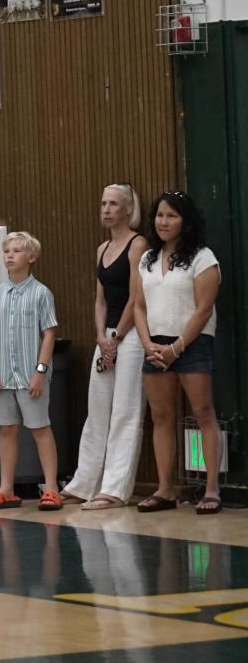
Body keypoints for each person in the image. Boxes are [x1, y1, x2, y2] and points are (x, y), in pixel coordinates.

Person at [133, 190, 224, 515]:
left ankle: (211, 488)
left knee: (202, 413)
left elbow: (203, 310)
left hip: (192, 343)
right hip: (155, 344)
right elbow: (139, 306)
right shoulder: (146, 259)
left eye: (171, 215)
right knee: (160, 416)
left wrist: (176, 348)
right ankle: (165, 488)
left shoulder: (203, 257)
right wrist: (148, 344)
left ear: (185, 220)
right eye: (159, 215)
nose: (163, 221)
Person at [65, 184, 150, 510]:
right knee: (97, 410)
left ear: (128, 209)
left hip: (130, 336)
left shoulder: (137, 243)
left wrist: (117, 337)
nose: (106, 209)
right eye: (103, 203)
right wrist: (102, 336)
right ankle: (84, 482)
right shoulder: (102, 248)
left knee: (125, 411)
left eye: (113, 204)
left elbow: (135, 296)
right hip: (108, 336)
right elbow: (100, 299)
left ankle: (114, 488)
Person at [0, 232, 62, 512]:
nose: (9, 256)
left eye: (16, 251)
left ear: (31, 257)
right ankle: (6, 489)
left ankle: (51, 488)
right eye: (7, 251)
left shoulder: (41, 293)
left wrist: (40, 370)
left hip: (30, 375)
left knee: (39, 428)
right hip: (2, 376)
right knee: (7, 429)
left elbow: (49, 333)